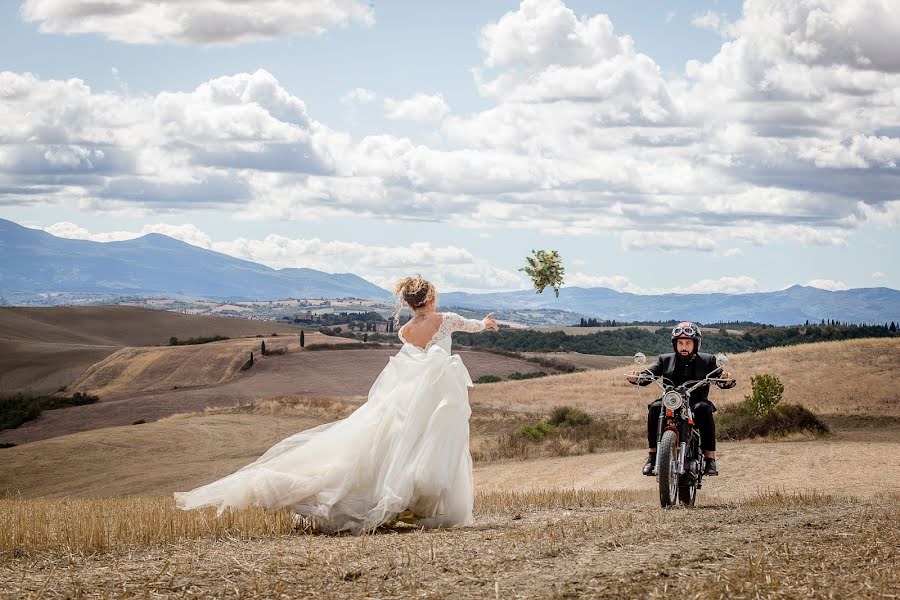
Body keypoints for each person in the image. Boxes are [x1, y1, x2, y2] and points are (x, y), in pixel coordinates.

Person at [174, 275, 499, 534]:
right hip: (437, 391)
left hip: (409, 390)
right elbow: (474, 326)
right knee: (429, 444)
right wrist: (486, 323)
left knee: (393, 443)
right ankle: (419, 505)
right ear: (431, 297)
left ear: (409, 302)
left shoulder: (404, 330)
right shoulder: (446, 318)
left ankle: (402, 503)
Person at [627, 322, 734, 477]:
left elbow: (719, 377)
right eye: (680, 343)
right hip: (671, 401)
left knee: (704, 409)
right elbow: (649, 375)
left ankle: (710, 459)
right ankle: (652, 456)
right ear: (675, 344)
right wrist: (637, 376)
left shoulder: (708, 360)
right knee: (656, 407)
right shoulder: (665, 360)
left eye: (688, 343)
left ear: (696, 344)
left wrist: (725, 379)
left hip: (696, 403)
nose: (684, 347)